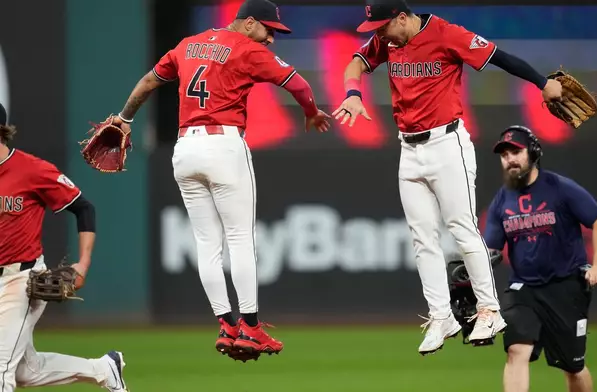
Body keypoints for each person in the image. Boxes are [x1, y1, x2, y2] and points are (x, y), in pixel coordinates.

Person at [333, 0, 564, 355]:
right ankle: (441, 316)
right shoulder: (387, 40)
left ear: (403, 17)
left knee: (461, 228)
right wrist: (352, 92)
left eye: (382, 26)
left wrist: (540, 82)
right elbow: (356, 62)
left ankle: (489, 309)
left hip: (446, 143)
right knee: (421, 238)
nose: (378, 34)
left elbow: (498, 57)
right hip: (408, 149)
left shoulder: (447, 34)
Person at [106, 0, 330, 360]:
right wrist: (311, 112)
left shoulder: (186, 44)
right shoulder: (247, 49)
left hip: (185, 150)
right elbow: (299, 83)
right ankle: (252, 328)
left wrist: (124, 117)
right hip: (224, 145)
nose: (272, 39)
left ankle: (226, 323)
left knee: (207, 243)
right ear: (249, 23)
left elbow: (149, 82)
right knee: (240, 238)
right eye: (269, 30)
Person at [0, 103, 128, 392]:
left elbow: (84, 209)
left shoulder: (31, 169)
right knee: (25, 371)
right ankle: (103, 369)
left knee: (0, 368)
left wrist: (82, 264)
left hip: (19, 280)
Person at [484, 125, 597, 392]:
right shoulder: (502, 199)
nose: (510, 159)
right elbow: (492, 251)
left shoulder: (560, 188)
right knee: (517, 350)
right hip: (523, 288)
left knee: (572, 366)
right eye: (504, 154)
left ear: (533, 152)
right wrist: (473, 277)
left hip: (566, 286)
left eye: (516, 151)